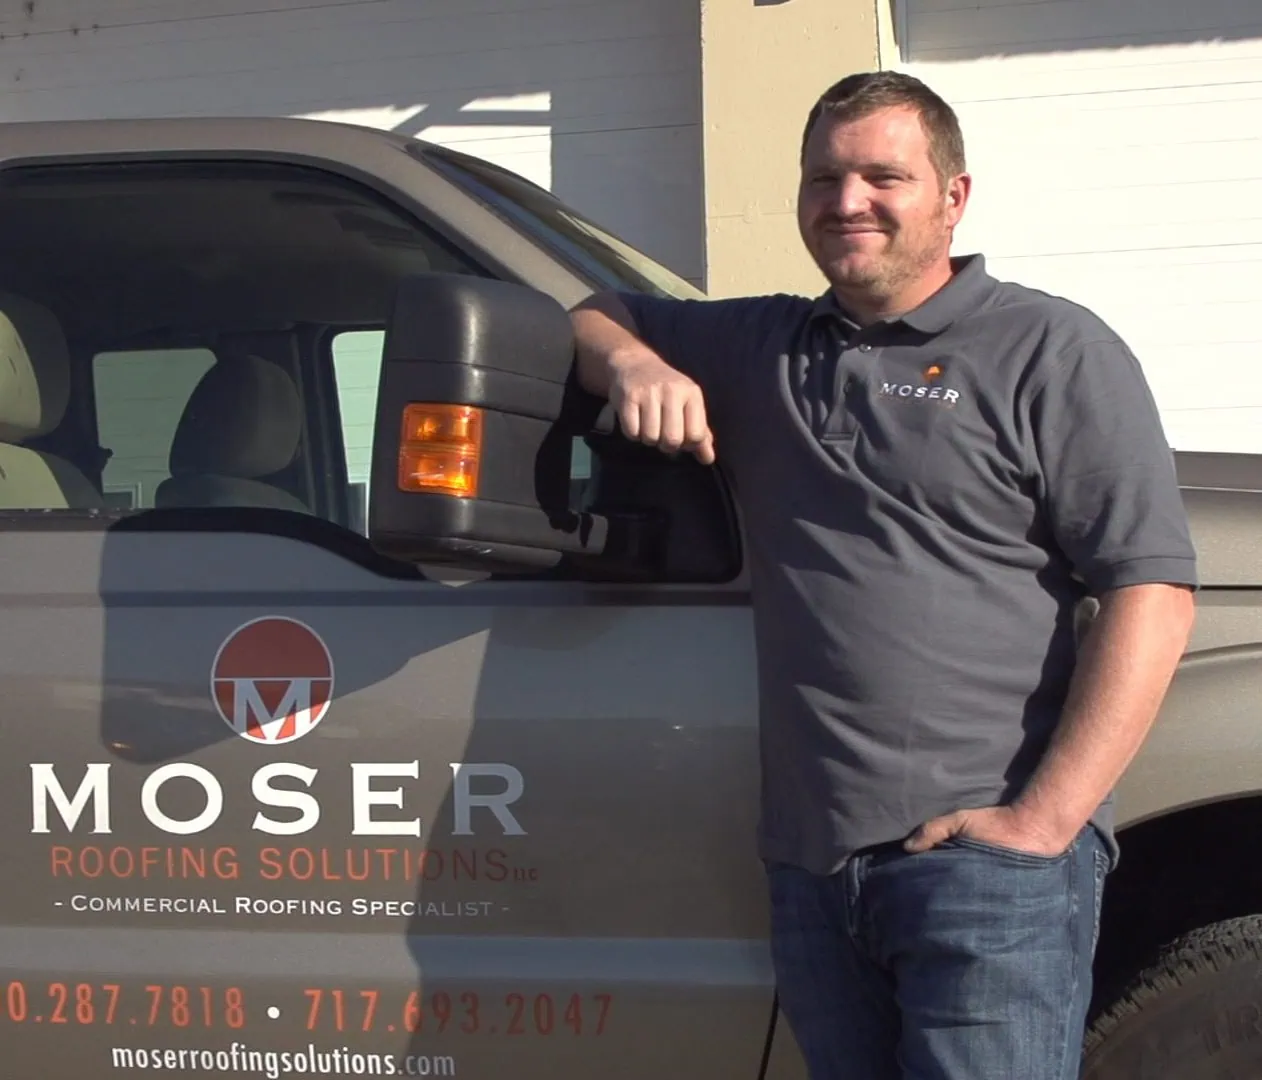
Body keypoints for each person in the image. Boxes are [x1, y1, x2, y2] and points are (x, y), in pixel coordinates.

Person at [569, 70, 1198, 1080]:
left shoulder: (1049, 349)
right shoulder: (762, 345)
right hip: (812, 875)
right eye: (823, 177)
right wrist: (635, 365)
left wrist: (1039, 824)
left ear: (951, 196)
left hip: (981, 870)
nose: (845, 200)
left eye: (880, 175)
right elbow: (590, 310)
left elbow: (1150, 591)